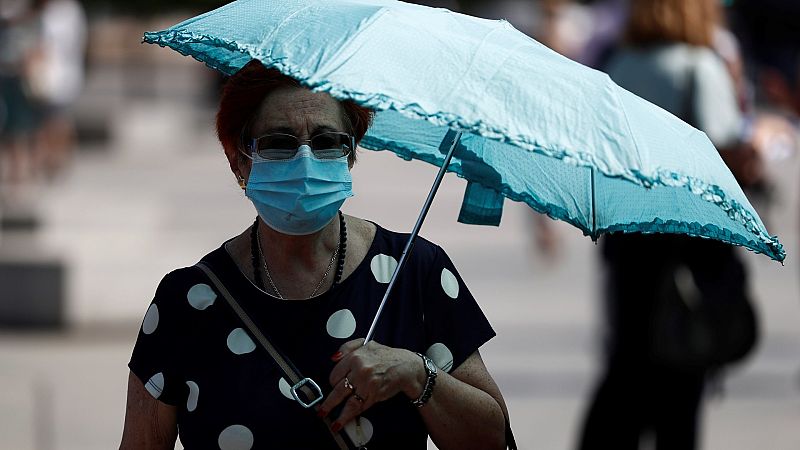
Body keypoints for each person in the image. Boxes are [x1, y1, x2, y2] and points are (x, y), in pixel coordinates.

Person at [120, 60, 510, 450]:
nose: (305, 161)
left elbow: (493, 439)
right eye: (279, 142)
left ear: (350, 156)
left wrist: (416, 374)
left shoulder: (413, 273)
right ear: (239, 160)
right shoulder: (187, 303)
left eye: (326, 142)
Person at [577, 0, 753, 449]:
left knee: (628, 364)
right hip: (686, 243)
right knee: (681, 378)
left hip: (627, 237)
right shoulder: (699, 66)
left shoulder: (616, 64)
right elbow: (728, 153)